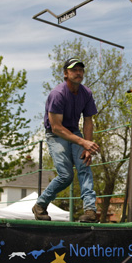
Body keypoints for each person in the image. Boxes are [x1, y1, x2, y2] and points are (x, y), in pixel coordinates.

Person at [32, 58, 100, 223]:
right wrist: (83, 142)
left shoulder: (86, 94)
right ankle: (40, 205)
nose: (78, 73)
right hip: (56, 134)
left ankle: (90, 210)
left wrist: (87, 148)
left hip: (74, 131)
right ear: (65, 74)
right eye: (74, 70)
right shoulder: (58, 94)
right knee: (66, 175)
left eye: (80, 70)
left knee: (84, 165)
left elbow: (89, 121)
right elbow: (56, 127)